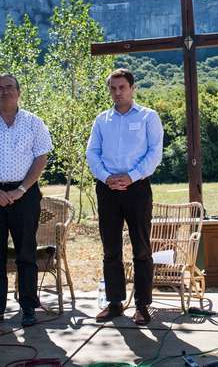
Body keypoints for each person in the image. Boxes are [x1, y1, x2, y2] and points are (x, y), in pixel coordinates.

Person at [0, 74, 53, 329]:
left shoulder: (34, 122)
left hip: (25, 194)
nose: (5, 92)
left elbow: (41, 159)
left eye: (9, 87)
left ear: (19, 91)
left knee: (26, 253)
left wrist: (21, 189)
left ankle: (28, 308)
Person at [85, 68, 163, 326]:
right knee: (111, 249)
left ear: (132, 88)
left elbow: (154, 152)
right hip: (107, 189)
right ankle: (115, 303)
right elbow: (92, 152)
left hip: (137, 188)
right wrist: (106, 177)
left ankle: (142, 306)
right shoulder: (101, 120)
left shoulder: (148, 117)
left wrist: (131, 176)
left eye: (122, 87)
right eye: (113, 88)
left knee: (141, 248)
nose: (117, 92)